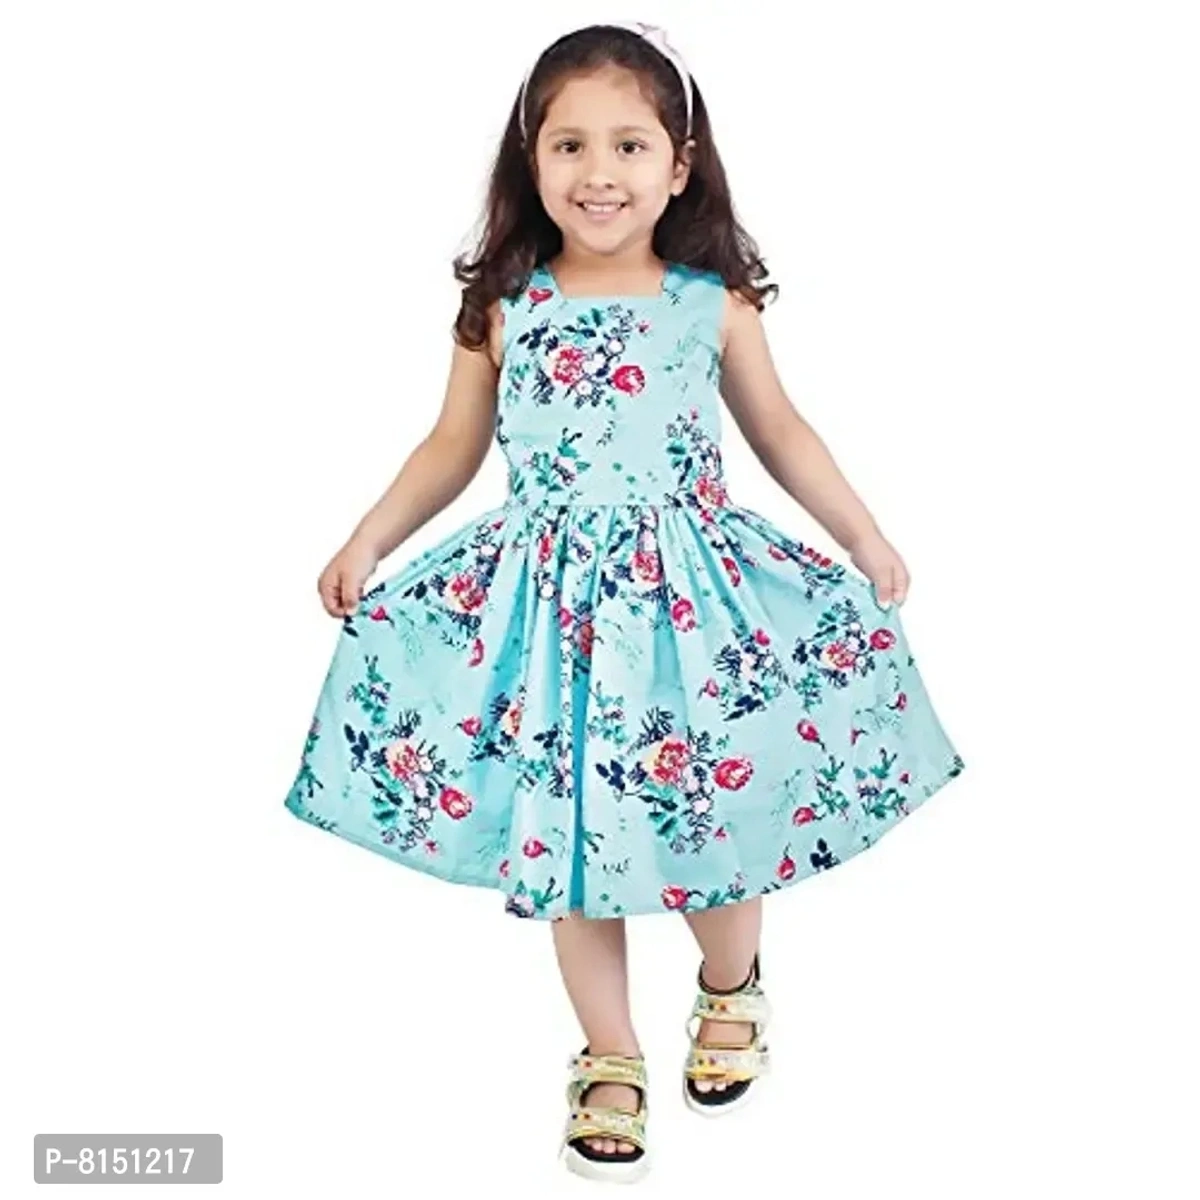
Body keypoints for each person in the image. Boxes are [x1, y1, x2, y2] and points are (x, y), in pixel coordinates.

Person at [283, 20, 965, 1184]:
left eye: (630, 145)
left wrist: (862, 534)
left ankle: (730, 982)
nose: (599, 173)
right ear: (531, 160)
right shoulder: (505, 305)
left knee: (712, 819)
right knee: (568, 840)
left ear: (680, 166)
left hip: (691, 617)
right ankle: (609, 1051)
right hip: (548, 619)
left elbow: (781, 431)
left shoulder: (711, 304)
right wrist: (369, 536)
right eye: (570, 146)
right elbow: (452, 446)